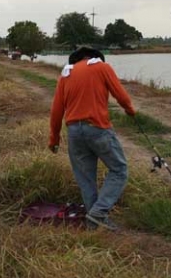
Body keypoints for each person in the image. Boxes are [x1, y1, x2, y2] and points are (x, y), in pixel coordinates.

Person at [49, 47, 135, 231]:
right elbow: (120, 94)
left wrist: (54, 138)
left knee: (85, 178)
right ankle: (98, 213)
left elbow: (56, 111)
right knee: (119, 169)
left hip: (73, 132)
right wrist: (129, 110)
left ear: (76, 59)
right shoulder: (102, 67)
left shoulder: (65, 74)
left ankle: (94, 224)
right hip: (97, 129)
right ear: (95, 57)